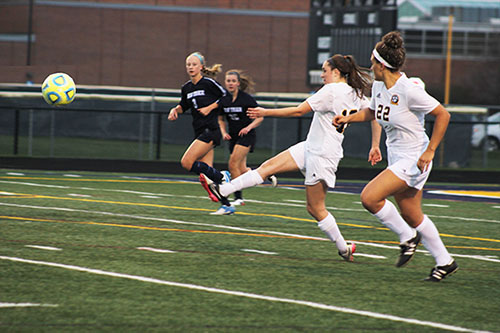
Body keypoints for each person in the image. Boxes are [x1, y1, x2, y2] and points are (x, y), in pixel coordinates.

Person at [201, 54, 372, 261]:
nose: (322, 75)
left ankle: (343, 248)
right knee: (268, 166)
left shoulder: (331, 90)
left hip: (322, 154)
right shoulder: (355, 92)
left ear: (336, 72)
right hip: (311, 146)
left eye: (325, 71)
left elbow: (298, 111)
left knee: (315, 208)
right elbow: (374, 114)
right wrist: (374, 145)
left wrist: (265, 112)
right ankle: (223, 189)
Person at [333, 31, 458, 281]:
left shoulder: (409, 89)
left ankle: (407, 237)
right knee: (412, 214)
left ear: (382, 65)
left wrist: (430, 150)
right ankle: (445, 262)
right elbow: (372, 112)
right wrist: (349, 118)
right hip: (398, 156)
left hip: (414, 158)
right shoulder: (379, 85)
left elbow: (443, 114)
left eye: (372, 61)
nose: (369, 65)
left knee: (369, 197)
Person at [168, 51, 234, 215]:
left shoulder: (209, 83)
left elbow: (226, 97)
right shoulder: (186, 88)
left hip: (211, 131)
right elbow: (184, 105)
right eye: (188, 64)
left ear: (201, 67)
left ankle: (222, 175)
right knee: (206, 176)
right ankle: (226, 205)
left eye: (194, 64)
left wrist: (210, 107)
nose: (191, 67)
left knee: (187, 162)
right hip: (199, 132)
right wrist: (175, 110)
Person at [218, 69, 276, 206]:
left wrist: (248, 127)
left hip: (246, 136)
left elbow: (260, 117)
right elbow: (220, 119)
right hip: (233, 137)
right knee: (242, 170)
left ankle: (238, 198)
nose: (230, 83)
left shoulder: (246, 99)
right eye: (228, 81)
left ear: (238, 83)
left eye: (233, 81)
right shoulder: (224, 100)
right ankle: (266, 174)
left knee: (232, 163)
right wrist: (223, 132)